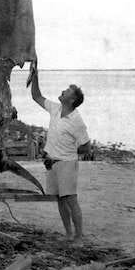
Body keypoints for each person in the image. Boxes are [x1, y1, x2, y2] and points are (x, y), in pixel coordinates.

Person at [29, 61, 91, 244]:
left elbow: (86, 147)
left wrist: (69, 153)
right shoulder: (55, 108)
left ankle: (79, 236)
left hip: (66, 164)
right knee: (59, 200)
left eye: (67, 92)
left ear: (72, 100)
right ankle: (68, 234)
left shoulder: (76, 120)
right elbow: (36, 96)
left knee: (71, 199)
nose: (63, 92)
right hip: (51, 162)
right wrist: (35, 75)